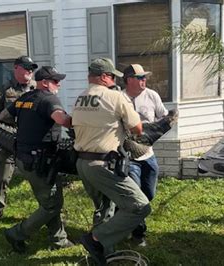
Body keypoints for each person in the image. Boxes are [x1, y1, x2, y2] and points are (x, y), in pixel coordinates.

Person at [72, 58, 151, 265]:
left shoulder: (80, 98)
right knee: (140, 206)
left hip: (82, 164)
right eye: (113, 76)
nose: (115, 80)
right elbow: (137, 129)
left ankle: (104, 254)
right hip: (103, 164)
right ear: (104, 76)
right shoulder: (115, 97)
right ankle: (95, 239)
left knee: (104, 207)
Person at [3, 66, 74, 252]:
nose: (59, 84)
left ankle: (59, 240)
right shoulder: (49, 98)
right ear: (44, 82)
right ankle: (17, 233)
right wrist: (83, 119)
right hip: (40, 161)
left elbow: (4, 116)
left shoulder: (25, 98)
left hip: (23, 157)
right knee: (52, 205)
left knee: (49, 201)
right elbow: (61, 120)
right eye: (55, 81)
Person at [0, 56, 38, 230]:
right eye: (26, 67)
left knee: (40, 181)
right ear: (16, 68)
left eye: (32, 68)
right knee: (1, 179)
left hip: (32, 144)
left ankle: (47, 215)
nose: (30, 71)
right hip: (9, 142)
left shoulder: (37, 88)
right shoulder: (3, 90)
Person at [122, 64, 168, 246]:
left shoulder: (152, 95)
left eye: (144, 77)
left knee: (149, 193)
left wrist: (156, 130)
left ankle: (124, 216)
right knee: (137, 198)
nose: (144, 80)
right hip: (128, 157)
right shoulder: (120, 98)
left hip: (148, 154)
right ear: (129, 80)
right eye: (140, 77)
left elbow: (163, 117)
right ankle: (138, 234)